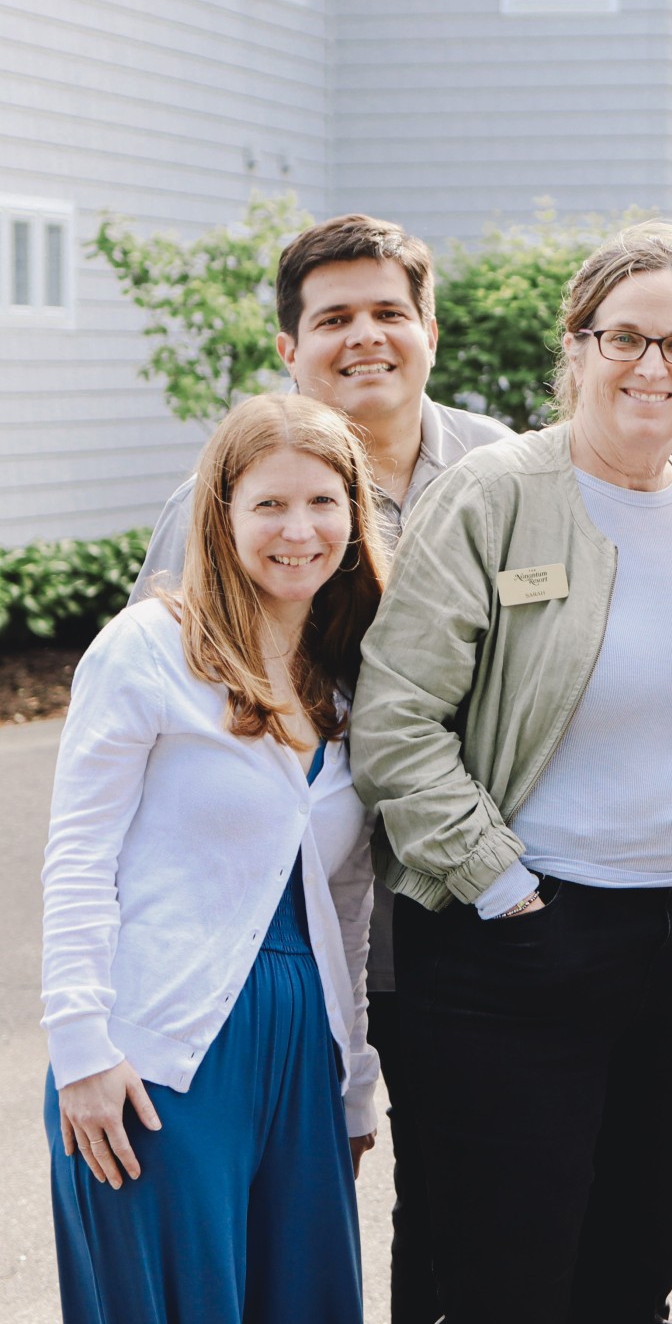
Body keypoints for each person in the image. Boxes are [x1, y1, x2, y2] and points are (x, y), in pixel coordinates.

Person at [348, 220, 672, 1324]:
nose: (651, 366)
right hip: (517, 942)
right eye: (625, 337)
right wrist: (501, 885)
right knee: (508, 1280)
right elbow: (394, 720)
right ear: (576, 346)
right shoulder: (493, 494)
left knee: (635, 1267)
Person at [129, 212, 510, 1324]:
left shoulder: (504, 471)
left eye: (390, 311)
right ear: (289, 346)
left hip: (469, 907)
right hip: (284, 937)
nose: (366, 337)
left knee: (465, 1205)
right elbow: (147, 739)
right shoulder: (220, 501)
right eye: (334, 317)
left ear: (431, 327)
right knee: (286, 1224)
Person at [41, 391, 387, 1323]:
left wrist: (354, 1082)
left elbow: (346, 902)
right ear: (221, 514)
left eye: (322, 502)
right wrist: (80, 1049)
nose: (299, 530)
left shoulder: (346, 679)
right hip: (158, 1053)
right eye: (270, 503)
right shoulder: (147, 649)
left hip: (302, 1053)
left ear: (354, 515)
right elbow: (77, 855)